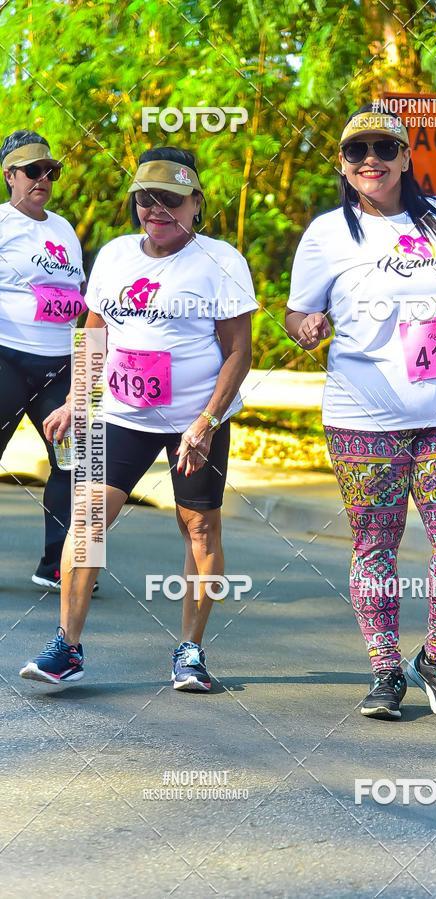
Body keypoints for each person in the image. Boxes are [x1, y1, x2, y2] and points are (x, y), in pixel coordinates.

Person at [286, 105, 436, 722]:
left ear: (406, 157)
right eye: (357, 152)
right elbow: (297, 313)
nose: (371, 160)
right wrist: (306, 328)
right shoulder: (328, 233)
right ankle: (384, 669)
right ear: (343, 164)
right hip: (362, 417)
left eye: (384, 148)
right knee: (375, 541)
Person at [20, 146, 257, 691]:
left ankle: (191, 651)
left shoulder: (220, 261)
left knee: (199, 527)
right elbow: (94, 333)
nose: (157, 210)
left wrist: (207, 421)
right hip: (122, 413)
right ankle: (67, 647)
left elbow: (239, 353)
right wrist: (76, 399)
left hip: (195, 418)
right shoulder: (116, 255)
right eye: (146, 199)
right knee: (88, 520)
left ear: (196, 203)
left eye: (171, 199)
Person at [0, 130, 90, 591]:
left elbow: (78, 295)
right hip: (7, 359)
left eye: (51, 171)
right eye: (32, 171)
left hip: (59, 366)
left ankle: (60, 564)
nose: (43, 179)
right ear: (9, 175)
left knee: (77, 459)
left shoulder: (64, 228)